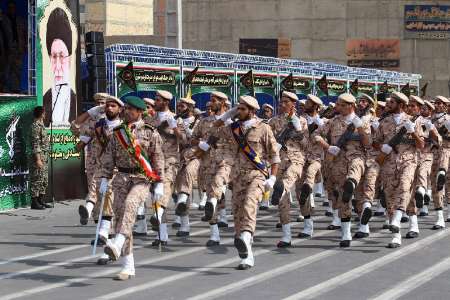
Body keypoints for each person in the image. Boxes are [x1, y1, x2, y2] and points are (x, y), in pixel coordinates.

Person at [100, 96, 165, 280]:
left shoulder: (150, 132)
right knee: (122, 218)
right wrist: (105, 178)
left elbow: (158, 158)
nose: (126, 111)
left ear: (139, 112)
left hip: (141, 178)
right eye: (125, 108)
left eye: (130, 109)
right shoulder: (117, 132)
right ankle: (128, 266)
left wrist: (159, 182)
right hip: (121, 177)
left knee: (131, 204)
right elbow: (109, 156)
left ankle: (118, 242)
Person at [215, 95, 280, 270]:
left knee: (249, 205)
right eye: (237, 108)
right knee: (237, 215)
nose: (238, 111)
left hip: (257, 174)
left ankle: (245, 236)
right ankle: (247, 255)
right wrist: (225, 116)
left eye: (242, 109)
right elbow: (213, 131)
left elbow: (274, 155)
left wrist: (272, 178)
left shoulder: (264, 128)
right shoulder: (232, 128)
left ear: (252, 111)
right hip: (237, 177)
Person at [314, 93, 371, 247]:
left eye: (340, 105)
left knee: (357, 193)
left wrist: (359, 128)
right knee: (342, 197)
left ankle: (363, 225)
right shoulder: (333, 122)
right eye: (338, 104)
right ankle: (346, 233)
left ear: (350, 106)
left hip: (357, 158)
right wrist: (328, 146)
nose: (337, 107)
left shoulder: (362, 122)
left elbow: (367, 144)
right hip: (338, 162)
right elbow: (317, 135)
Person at [75, 95, 123, 259]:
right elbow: (75, 129)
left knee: (110, 202)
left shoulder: (124, 128)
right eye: (106, 106)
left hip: (116, 170)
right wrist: (90, 112)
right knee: (100, 201)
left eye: (112, 106)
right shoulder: (97, 124)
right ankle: (101, 234)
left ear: (120, 109)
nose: (108, 108)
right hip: (97, 167)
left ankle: (108, 240)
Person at [374, 92, 424, 248]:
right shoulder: (384, 122)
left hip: (408, 161)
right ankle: (396, 235)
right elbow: (375, 142)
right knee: (390, 197)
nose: (388, 104)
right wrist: (382, 147)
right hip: (388, 163)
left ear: (401, 105)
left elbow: (421, 145)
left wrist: (413, 132)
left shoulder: (412, 121)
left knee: (405, 186)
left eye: (392, 102)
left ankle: (397, 219)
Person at [268, 91, 308, 248]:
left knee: (290, 182)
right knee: (282, 201)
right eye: (281, 102)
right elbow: (267, 139)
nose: (282, 104)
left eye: (286, 102)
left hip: (296, 159)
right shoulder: (274, 121)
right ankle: (286, 236)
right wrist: (274, 145)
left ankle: (308, 224)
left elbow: (306, 145)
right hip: (279, 160)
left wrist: (298, 130)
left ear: (294, 104)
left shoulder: (302, 121)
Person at [43, 7, 77, 126]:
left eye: (62, 56)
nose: (57, 67)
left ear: (70, 58)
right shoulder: (44, 100)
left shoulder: (76, 100)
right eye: (53, 56)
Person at [30, 106, 51, 210]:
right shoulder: (35, 126)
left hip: (44, 156)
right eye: (44, 112)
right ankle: (34, 202)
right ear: (41, 114)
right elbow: (35, 144)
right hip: (38, 156)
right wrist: (38, 159)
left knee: (44, 179)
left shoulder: (41, 125)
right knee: (37, 179)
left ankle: (40, 200)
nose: (45, 114)